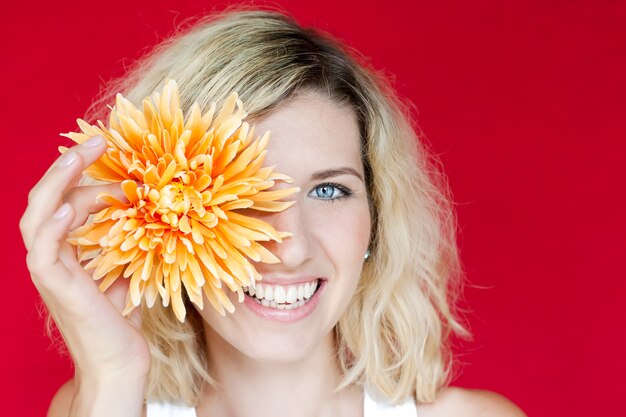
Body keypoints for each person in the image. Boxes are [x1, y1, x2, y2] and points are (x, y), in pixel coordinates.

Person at [20, 7, 527, 417]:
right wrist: (111, 373)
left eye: (329, 191)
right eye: (243, 196)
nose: (289, 247)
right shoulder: (105, 404)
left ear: (376, 220)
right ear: (155, 213)